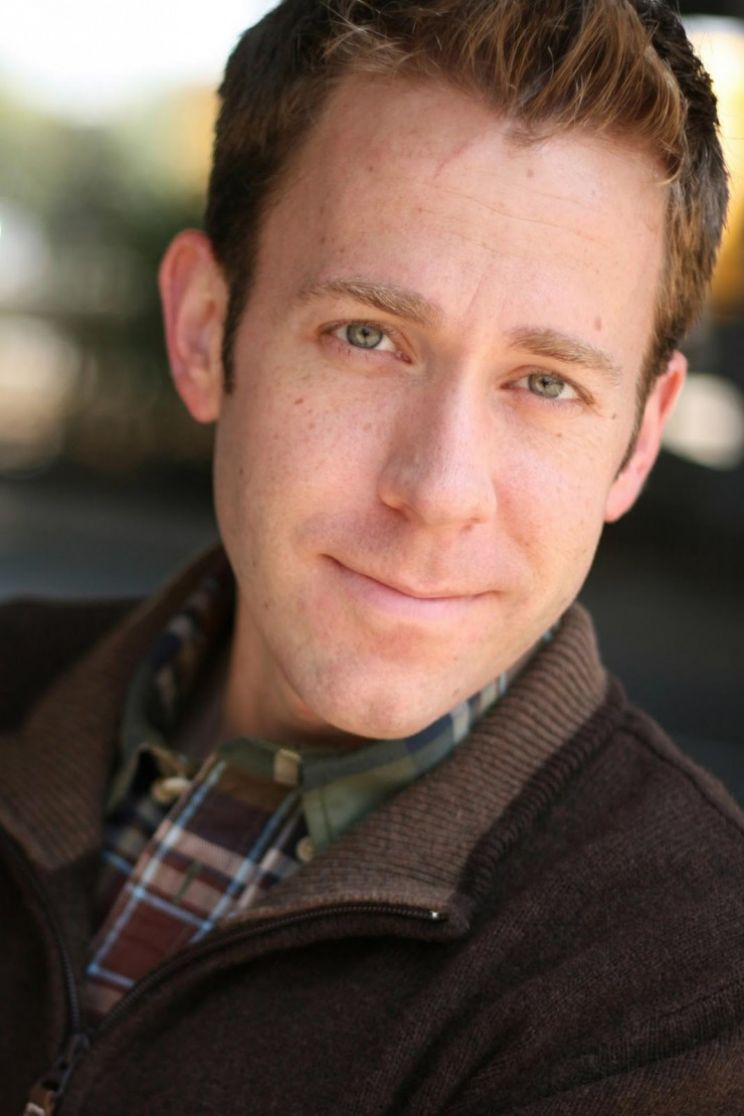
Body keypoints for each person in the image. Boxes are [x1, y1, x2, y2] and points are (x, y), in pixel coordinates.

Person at [2, 0, 743, 1112]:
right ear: (203, 330)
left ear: (638, 439)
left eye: (546, 383)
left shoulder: (695, 984)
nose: (438, 491)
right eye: (366, 335)